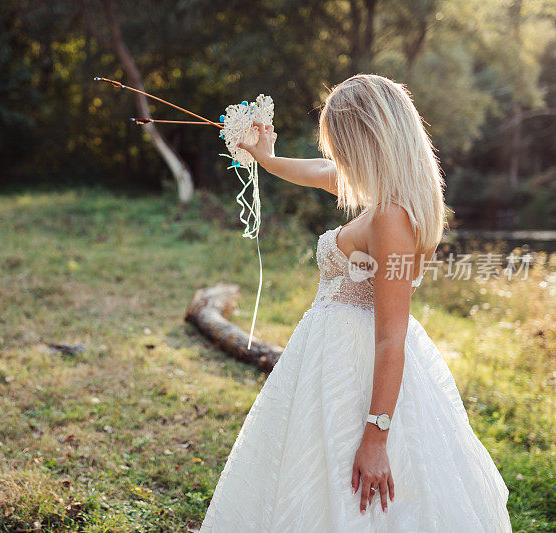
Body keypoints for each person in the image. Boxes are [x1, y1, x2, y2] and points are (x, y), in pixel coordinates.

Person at [199, 74, 512, 532]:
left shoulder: (390, 218)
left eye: (341, 143)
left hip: (357, 370)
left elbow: (391, 338)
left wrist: (375, 439)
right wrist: (264, 157)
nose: (337, 157)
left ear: (367, 139)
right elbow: (316, 173)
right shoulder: (381, 196)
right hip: (329, 362)